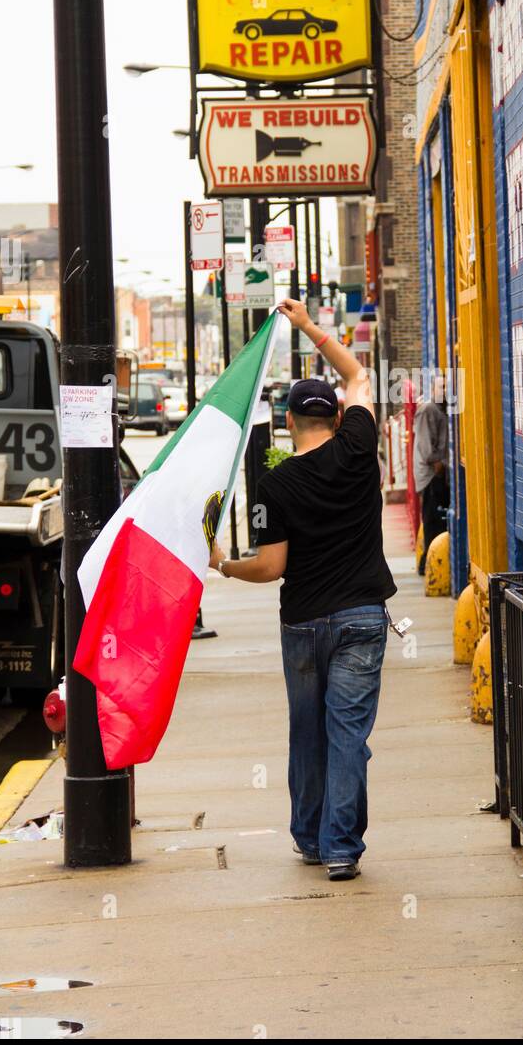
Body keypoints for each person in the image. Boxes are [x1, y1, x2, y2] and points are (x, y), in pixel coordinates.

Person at [209, 298, 396, 881]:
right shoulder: (359, 446)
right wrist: (309, 325)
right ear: (338, 418)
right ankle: (341, 848)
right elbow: (359, 374)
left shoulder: (276, 483)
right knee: (348, 734)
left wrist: (224, 567)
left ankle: (311, 838)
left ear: (290, 423)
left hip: (304, 625)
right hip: (363, 616)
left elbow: (270, 568)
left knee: (308, 731)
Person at [413, 374, 449, 572]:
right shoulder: (428, 409)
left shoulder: (441, 409)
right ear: (432, 389)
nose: (444, 390)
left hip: (435, 475)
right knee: (432, 522)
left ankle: (428, 564)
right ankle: (427, 566)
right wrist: (438, 465)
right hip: (430, 476)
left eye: (446, 386)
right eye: (440, 387)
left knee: (435, 521)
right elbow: (427, 448)